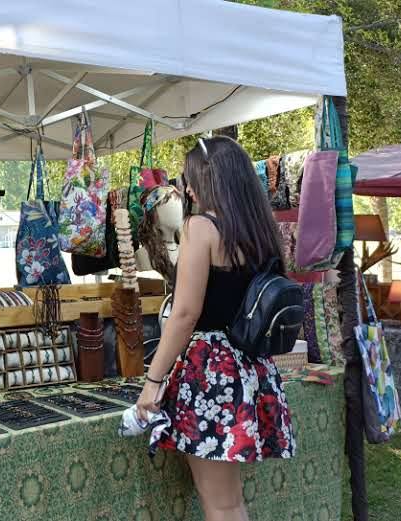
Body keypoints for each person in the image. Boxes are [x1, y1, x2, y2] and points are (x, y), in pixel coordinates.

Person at [136, 136, 294, 521]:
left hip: (212, 373)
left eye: (189, 180)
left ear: (208, 180)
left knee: (221, 504)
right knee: (230, 499)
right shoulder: (260, 230)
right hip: (251, 369)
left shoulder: (201, 228)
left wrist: (152, 381)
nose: (187, 189)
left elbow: (185, 313)